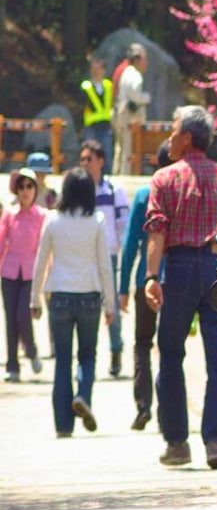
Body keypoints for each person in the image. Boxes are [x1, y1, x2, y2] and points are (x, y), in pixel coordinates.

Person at [144, 106, 217, 470]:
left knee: (170, 352)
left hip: (182, 268)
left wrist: (151, 277)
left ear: (186, 137)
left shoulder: (165, 179)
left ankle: (177, 442)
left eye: (173, 130)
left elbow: (157, 230)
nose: (169, 137)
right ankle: (216, 443)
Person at [30, 168, 114, 437]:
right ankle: (84, 397)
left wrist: (35, 299)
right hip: (89, 294)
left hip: (60, 296)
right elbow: (104, 265)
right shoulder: (97, 220)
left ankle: (64, 425)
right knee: (88, 355)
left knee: (63, 360)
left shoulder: (53, 220)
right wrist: (110, 304)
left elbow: (41, 262)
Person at [119, 141, 171, 430]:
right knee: (169, 346)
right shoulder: (183, 190)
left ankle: (143, 405)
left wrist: (123, 287)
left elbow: (130, 246)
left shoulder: (143, 195)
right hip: (175, 279)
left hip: (146, 280)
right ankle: (167, 409)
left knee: (142, 343)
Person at [80, 139, 129, 378]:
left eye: (89, 159)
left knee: (112, 306)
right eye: (82, 159)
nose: (85, 163)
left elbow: (123, 225)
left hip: (108, 256)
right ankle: (87, 357)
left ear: (100, 160)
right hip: (85, 257)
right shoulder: (78, 191)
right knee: (87, 307)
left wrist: (118, 247)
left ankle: (116, 350)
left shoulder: (113, 190)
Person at [1, 168, 45, 381]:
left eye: (29, 186)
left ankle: (31, 349)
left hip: (31, 273)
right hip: (9, 271)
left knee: (22, 315)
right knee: (10, 319)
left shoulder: (41, 215)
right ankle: (12, 365)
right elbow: (1, 242)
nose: (25, 191)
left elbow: (45, 248)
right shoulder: (9, 214)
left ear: (35, 189)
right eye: (21, 186)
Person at [113, 43, 151, 175]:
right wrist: (146, 98)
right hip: (130, 116)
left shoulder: (126, 72)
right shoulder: (135, 75)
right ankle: (126, 175)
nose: (146, 63)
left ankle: (117, 173)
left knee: (120, 147)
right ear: (137, 60)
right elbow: (135, 95)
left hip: (121, 114)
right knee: (129, 148)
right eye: (144, 59)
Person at [80, 55, 115, 168]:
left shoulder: (108, 85)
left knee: (106, 153)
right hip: (91, 124)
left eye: (98, 68)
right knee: (90, 152)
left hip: (105, 124)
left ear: (103, 70)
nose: (96, 72)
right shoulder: (86, 86)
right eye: (93, 69)